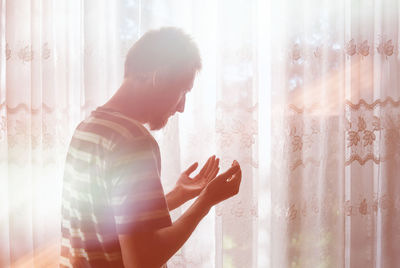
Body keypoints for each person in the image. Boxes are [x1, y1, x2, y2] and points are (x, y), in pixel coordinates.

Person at [60, 27, 242, 268]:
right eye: (183, 91)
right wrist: (205, 202)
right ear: (160, 78)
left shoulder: (88, 128)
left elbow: (108, 222)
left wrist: (179, 195)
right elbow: (142, 262)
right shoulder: (133, 141)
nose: (181, 107)